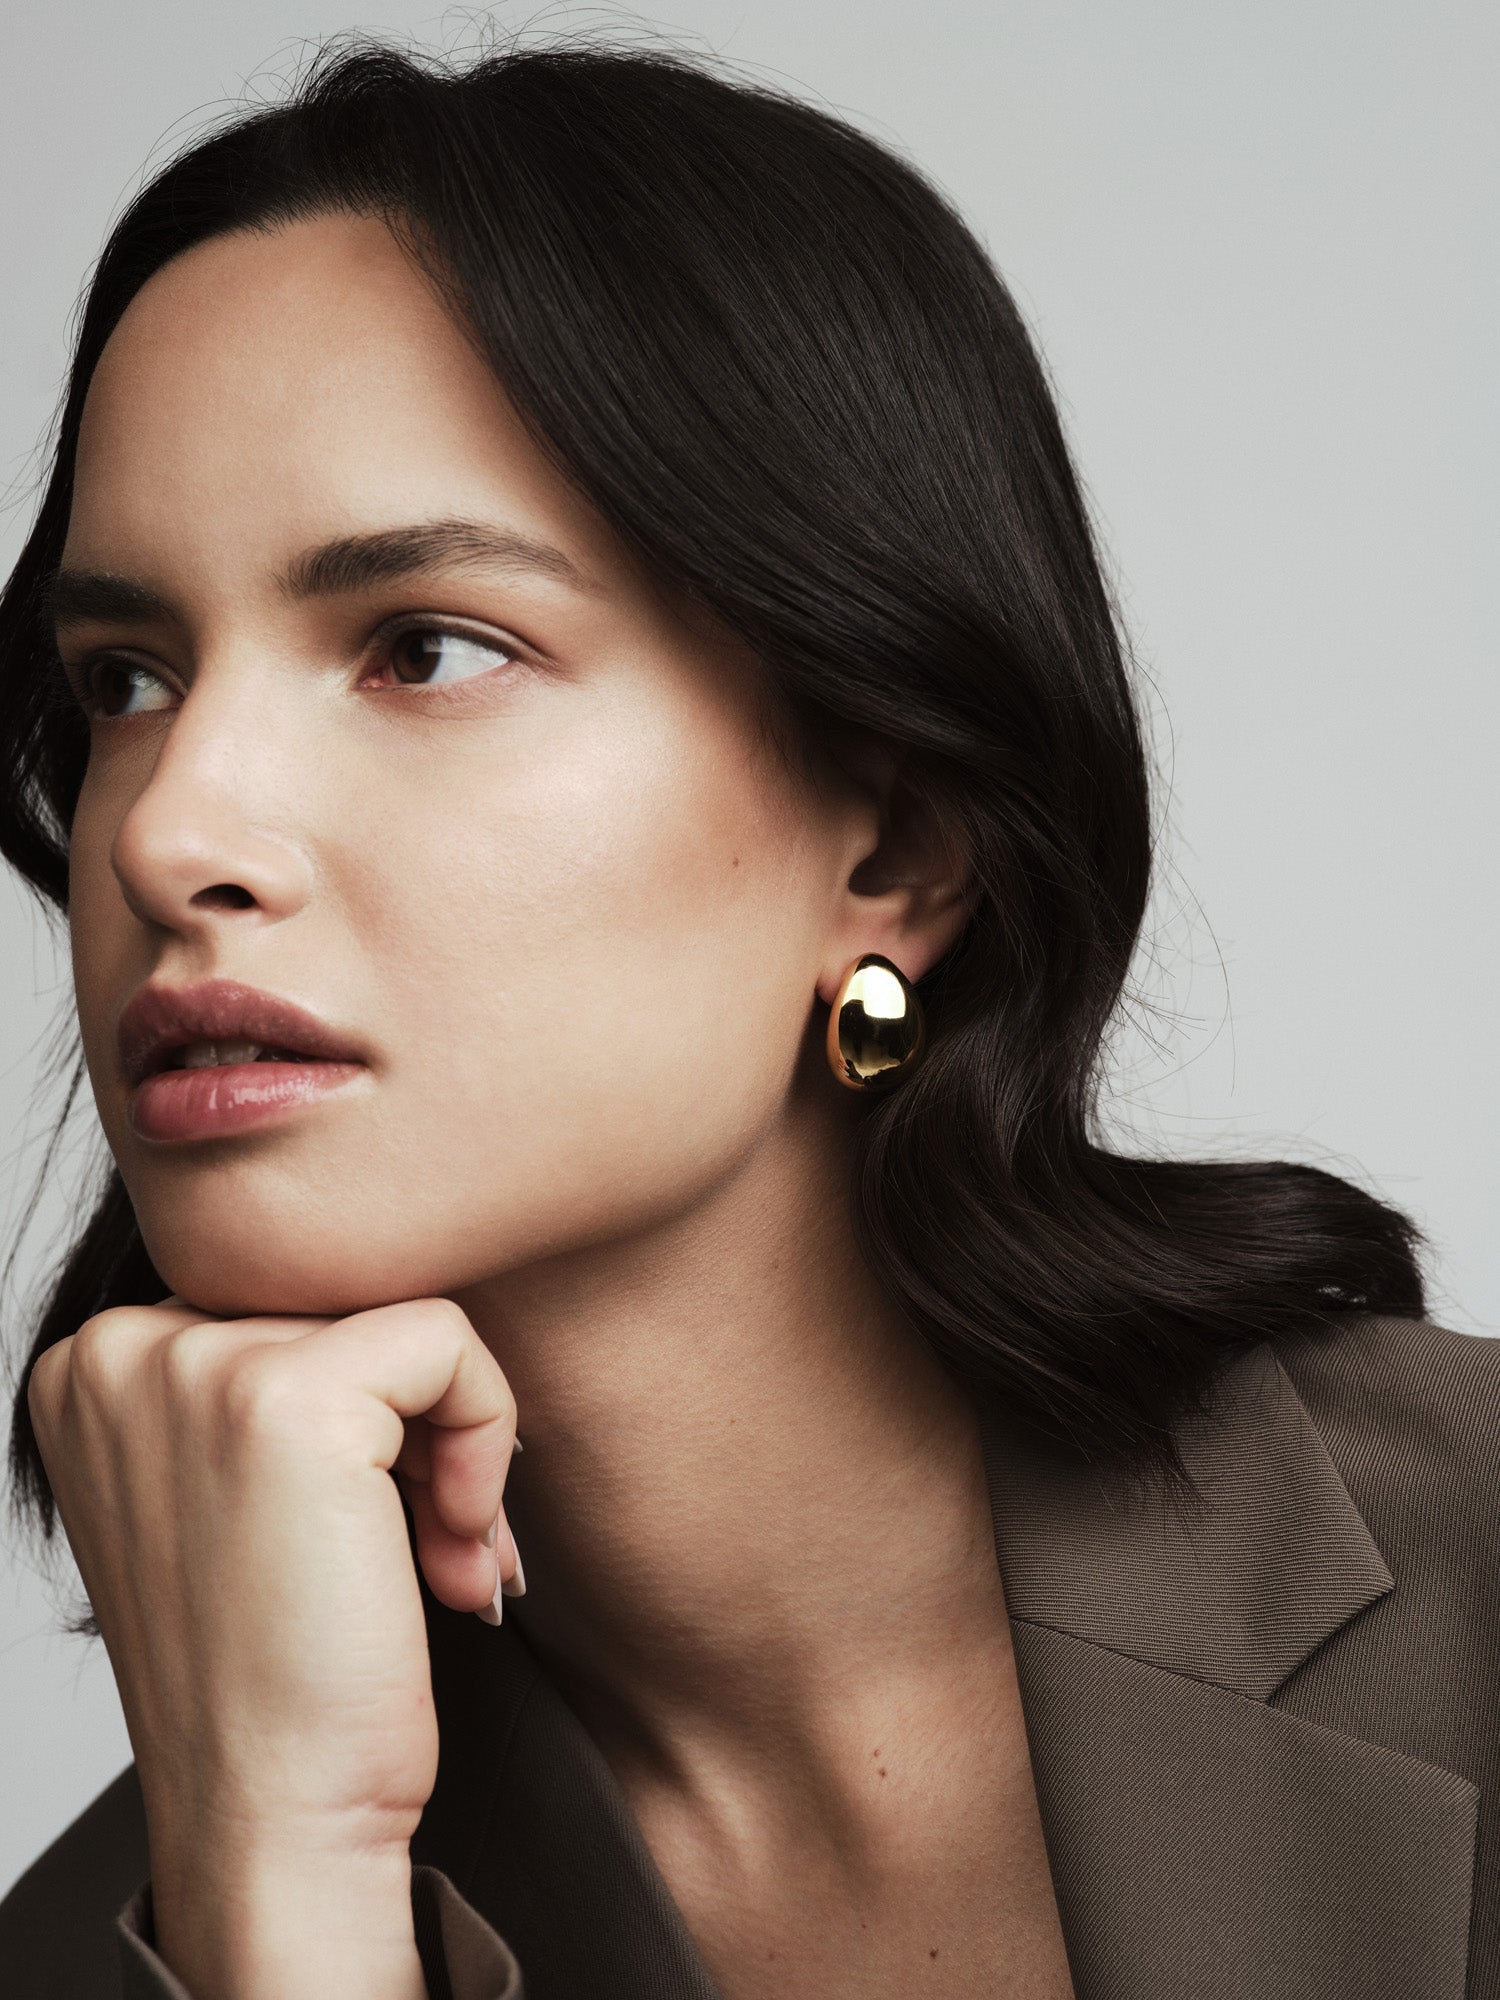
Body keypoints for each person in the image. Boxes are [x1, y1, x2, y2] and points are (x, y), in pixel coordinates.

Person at [0, 35, 1495, 2000]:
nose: (167, 830)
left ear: (896, 846)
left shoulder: (1471, 1581)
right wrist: (278, 1889)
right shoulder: (134, 1937)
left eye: (425, 647)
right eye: (124, 679)